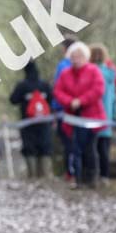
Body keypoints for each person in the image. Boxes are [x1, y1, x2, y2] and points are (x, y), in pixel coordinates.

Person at [54, 41, 106, 188]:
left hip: (92, 117)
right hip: (72, 117)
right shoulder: (65, 74)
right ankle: (78, 178)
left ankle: (91, 178)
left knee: (90, 148)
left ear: (85, 57)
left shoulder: (94, 71)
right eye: (73, 56)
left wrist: (81, 101)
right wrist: (70, 101)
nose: (76, 59)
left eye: (79, 56)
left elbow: (98, 90)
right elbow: (58, 91)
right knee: (75, 148)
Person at [9, 60, 54, 178]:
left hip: (27, 123)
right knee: (44, 147)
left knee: (29, 147)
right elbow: (52, 99)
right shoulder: (44, 85)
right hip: (44, 123)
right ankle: (44, 176)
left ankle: (32, 176)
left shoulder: (22, 85)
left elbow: (13, 100)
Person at [90, 44, 116, 185]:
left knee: (91, 149)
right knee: (104, 150)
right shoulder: (110, 74)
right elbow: (114, 97)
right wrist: (114, 115)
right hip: (106, 118)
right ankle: (104, 176)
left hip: (91, 117)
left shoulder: (89, 72)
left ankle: (93, 175)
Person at [52, 37, 75, 179]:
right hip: (78, 109)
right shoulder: (86, 64)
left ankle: (70, 172)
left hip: (64, 110)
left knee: (68, 142)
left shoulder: (63, 65)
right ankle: (74, 172)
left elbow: (57, 88)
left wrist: (55, 108)